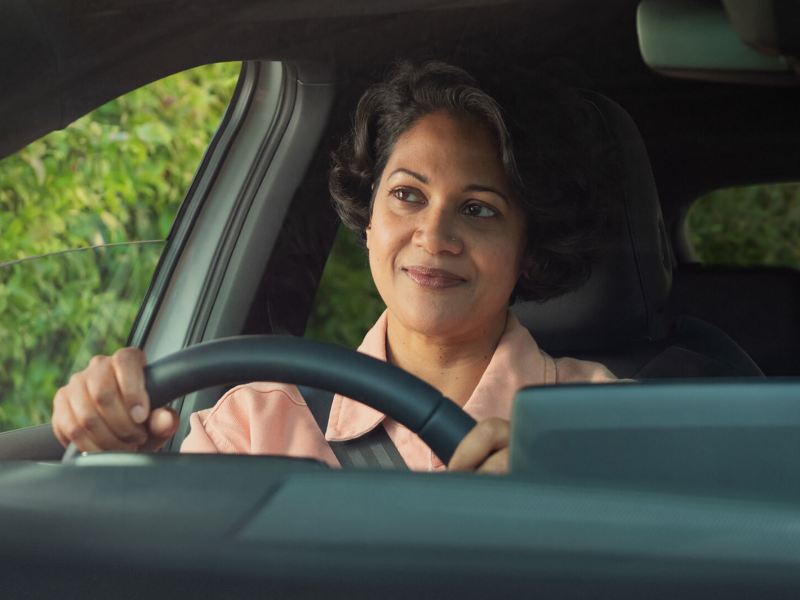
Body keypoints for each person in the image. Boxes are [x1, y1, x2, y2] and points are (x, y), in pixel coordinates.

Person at [50, 61, 616, 474]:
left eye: (478, 209)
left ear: (528, 246)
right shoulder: (253, 426)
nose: (435, 236)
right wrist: (117, 472)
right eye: (408, 195)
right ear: (369, 220)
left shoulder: (606, 422)